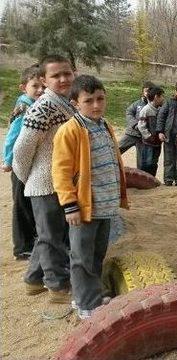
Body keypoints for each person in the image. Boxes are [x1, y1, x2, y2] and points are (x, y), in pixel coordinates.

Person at [52, 75, 128, 319]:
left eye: (100, 99)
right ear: (75, 103)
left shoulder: (104, 125)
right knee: (82, 257)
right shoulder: (70, 131)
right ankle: (86, 304)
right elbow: (61, 172)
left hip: (105, 205)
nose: (96, 105)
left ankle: (91, 295)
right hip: (84, 208)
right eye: (88, 101)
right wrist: (70, 205)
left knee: (97, 254)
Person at [12, 54, 75, 303]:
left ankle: (33, 279)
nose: (62, 79)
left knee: (50, 235)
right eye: (55, 75)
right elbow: (22, 149)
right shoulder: (43, 107)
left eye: (66, 73)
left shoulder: (67, 103)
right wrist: (28, 177)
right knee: (51, 237)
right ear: (44, 80)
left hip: (60, 182)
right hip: (44, 184)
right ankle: (57, 286)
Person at [1, 65, 44, 260]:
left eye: (42, 86)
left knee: (29, 202)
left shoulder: (35, 105)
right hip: (19, 164)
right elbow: (12, 136)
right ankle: (22, 247)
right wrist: (7, 160)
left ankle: (32, 239)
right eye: (35, 86)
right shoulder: (24, 106)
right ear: (23, 87)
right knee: (21, 204)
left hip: (30, 164)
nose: (40, 90)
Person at [119, 81, 154, 154]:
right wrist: (135, 124)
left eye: (150, 91)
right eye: (146, 91)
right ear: (143, 92)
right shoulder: (137, 104)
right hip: (132, 133)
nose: (148, 93)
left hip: (144, 137)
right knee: (116, 150)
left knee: (142, 160)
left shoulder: (155, 106)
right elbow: (129, 113)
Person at [137, 86, 165, 177]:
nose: (163, 99)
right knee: (146, 163)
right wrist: (149, 136)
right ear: (156, 97)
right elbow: (141, 126)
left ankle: (152, 180)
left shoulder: (160, 109)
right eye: (162, 96)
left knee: (154, 163)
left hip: (157, 143)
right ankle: (144, 181)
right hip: (148, 143)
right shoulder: (146, 110)